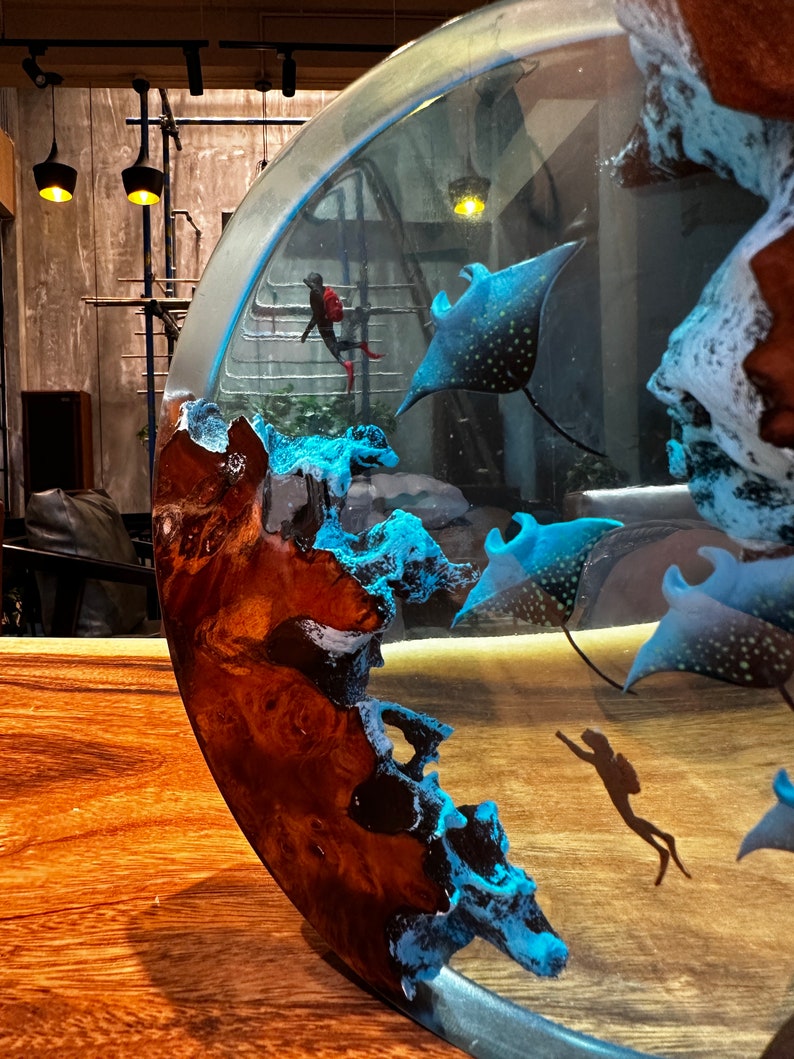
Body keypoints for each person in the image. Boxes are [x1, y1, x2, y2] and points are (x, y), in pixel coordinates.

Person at [556, 727, 691, 885]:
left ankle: (662, 845)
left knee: (630, 820)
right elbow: (582, 750)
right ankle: (664, 840)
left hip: (616, 792)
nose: (587, 743)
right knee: (632, 819)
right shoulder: (607, 755)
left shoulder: (598, 759)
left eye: (589, 741)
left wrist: (564, 738)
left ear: (595, 745)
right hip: (620, 789)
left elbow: (578, 752)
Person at [300, 272, 383, 392]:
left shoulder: (314, 295)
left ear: (315, 283)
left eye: (310, 282)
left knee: (333, 347)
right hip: (329, 321)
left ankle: (346, 360)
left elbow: (316, 316)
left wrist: (306, 333)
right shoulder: (325, 290)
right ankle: (357, 348)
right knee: (334, 345)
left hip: (323, 323)